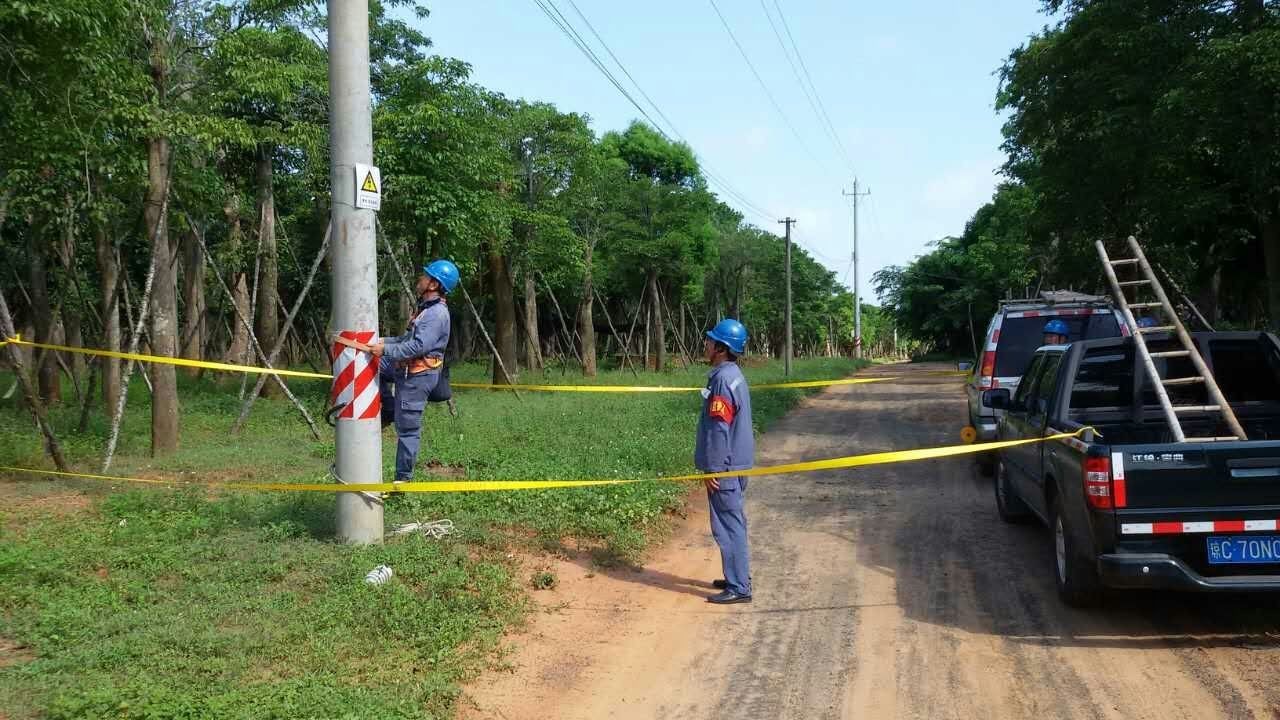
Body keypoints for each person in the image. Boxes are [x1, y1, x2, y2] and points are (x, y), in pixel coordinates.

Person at [370, 259, 459, 482]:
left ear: (434, 285)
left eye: (425, 276)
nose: (420, 279)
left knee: (407, 429)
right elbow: (406, 339)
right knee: (374, 365)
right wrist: (381, 341)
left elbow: (419, 346)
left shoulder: (436, 314)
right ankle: (389, 409)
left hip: (418, 377)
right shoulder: (424, 309)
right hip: (405, 368)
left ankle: (403, 480)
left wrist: (386, 349)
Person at [696, 319, 754, 605]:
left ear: (722, 347)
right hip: (738, 462)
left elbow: (719, 428)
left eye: (710, 341)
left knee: (728, 526)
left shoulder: (721, 380)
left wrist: (714, 468)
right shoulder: (733, 374)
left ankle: (739, 587)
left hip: (726, 466)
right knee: (734, 522)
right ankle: (736, 575)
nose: (706, 344)